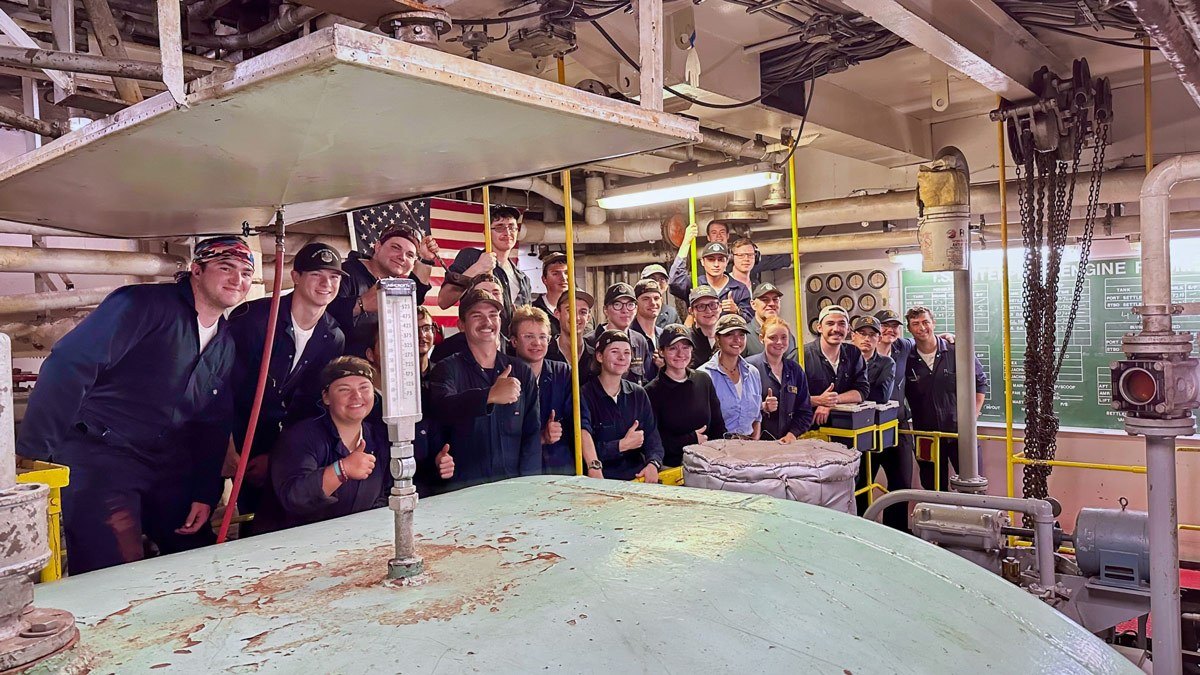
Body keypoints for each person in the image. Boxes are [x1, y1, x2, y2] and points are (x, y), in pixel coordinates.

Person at [17, 236, 253, 574]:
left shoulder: (225, 343)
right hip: (102, 454)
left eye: (246, 273)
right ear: (196, 271)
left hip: (168, 463)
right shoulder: (143, 305)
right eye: (226, 268)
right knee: (114, 568)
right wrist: (35, 451)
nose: (237, 279)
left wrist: (204, 491)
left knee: (194, 555)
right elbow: (70, 363)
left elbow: (211, 422)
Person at [226, 242, 347, 525]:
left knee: (272, 519)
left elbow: (310, 403)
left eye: (334, 277)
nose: (326, 284)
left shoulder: (333, 336)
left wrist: (278, 455)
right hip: (232, 437)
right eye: (317, 274)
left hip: (283, 444)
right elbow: (222, 388)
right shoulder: (253, 319)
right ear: (295, 276)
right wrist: (229, 450)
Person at [256, 357, 392, 533]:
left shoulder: (378, 438)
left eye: (364, 388)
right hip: (291, 546)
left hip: (354, 544)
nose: (356, 396)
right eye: (344, 389)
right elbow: (294, 497)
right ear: (326, 397)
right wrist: (341, 470)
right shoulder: (301, 437)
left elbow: (385, 496)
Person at [428, 288, 542, 490]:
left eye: (493, 315)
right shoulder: (446, 369)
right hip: (462, 491)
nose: (487, 322)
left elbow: (531, 435)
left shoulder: (521, 371)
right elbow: (442, 409)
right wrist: (488, 396)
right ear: (461, 325)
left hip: (512, 489)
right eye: (477, 316)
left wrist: (529, 486)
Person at [904, 306, 989, 493]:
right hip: (925, 436)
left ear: (933, 323)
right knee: (932, 486)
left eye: (926, 322)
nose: (922, 328)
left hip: (961, 434)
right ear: (909, 329)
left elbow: (980, 382)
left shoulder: (956, 350)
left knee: (973, 486)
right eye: (915, 324)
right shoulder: (906, 359)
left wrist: (972, 417)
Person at [332, 226, 437, 357]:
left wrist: (426, 259)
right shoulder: (344, 273)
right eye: (396, 247)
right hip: (342, 368)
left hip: (381, 370)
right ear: (378, 247)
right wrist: (361, 304)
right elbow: (323, 316)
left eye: (410, 255)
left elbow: (415, 297)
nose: (402, 257)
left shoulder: (393, 284)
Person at [579, 330, 664, 482]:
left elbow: (653, 438)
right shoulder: (584, 395)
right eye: (614, 351)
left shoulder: (639, 394)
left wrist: (653, 463)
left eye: (627, 352)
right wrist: (621, 445)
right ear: (599, 356)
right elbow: (581, 444)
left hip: (637, 477)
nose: (622, 357)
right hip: (601, 478)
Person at [645, 324, 726, 467]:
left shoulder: (703, 380)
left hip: (710, 463)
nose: (680, 354)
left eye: (685, 347)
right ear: (661, 352)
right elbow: (653, 442)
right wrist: (691, 439)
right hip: (673, 467)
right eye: (673, 348)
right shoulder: (651, 392)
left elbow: (718, 426)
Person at [439, 206, 531, 327]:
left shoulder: (523, 278)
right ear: (486, 232)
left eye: (512, 227)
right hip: (480, 337)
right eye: (499, 227)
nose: (507, 232)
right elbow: (444, 301)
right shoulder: (471, 257)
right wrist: (477, 267)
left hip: (511, 343)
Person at [511, 305, 574, 475]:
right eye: (529, 336)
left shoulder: (563, 372)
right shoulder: (504, 376)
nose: (537, 343)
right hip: (518, 473)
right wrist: (541, 437)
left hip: (560, 469)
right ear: (514, 341)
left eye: (542, 337)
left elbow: (575, 422)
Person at [849, 315, 900, 520]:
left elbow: (882, 395)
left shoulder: (887, 362)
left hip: (880, 432)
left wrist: (854, 394)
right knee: (858, 484)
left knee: (895, 482)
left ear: (878, 339)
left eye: (872, 335)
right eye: (862, 333)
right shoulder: (847, 361)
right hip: (853, 433)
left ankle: (894, 530)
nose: (866, 339)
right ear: (853, 336)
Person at [747, 317, 813, 443]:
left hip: (786, 444)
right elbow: (738, 408)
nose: (779, 342)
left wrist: (792, 434)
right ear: (762, 338)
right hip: (755, 444)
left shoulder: (795, 370)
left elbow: (805, 411)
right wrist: (762, 407)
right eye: (772, 337)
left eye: (784, 337)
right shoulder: (749, 368)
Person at [667, 227, 753, 320]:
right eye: (711, 260)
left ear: (727, 261)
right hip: (701, 334)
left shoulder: (739, 289)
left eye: (720, 260)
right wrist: (686, 242)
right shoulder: (695, 284)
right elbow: (674, 282)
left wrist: (737, 311)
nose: (716, 264)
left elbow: (751, 321)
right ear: (702, 262)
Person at [698, 314, 762, 440]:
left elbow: (757, 417)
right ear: (717, 338)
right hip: (717, 449)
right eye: (729, 334)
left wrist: (755, 442)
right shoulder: (703, 375)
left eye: (741, 335)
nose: (737, 340)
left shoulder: (753, 373)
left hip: (749, 449)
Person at [804, 306, 869, 426]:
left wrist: (832, 402)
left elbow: (862, 392)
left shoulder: (853, 353)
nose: (836, 329)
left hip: (845, 427)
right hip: (808, 429)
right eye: (830, 323)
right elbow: (789, 398)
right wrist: (818, 401)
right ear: (819, 327)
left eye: (841, 324)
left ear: (848, 329)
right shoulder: (802, 356)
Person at [585, 282, 657, 385]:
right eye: (617, 305)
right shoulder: (590, 342)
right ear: (605, 310)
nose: (625, 310)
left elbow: (646, 381)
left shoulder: (640, 340)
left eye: (630, 305)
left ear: (636, 309)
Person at [430, 273, 507, 364]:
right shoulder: (446, 349)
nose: (491, 296)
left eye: (496, 293)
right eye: (483, 292)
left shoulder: (513, 346)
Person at [743, 282, 798, 360]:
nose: (772, 303)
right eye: (765, 300)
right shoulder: (744, 335)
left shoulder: (788, 335)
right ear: (753, 304)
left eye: (775, 299)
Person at [547, 289, 595, 369]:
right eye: (570, 310)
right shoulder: (545, 354)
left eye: (583, 312)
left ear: (588, 318)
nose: (576, 317)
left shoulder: (596, 358)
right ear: (557, 314)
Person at [533, 252, 568, 336]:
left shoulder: (580, 310)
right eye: (555, 273)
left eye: (567, 273)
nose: (563, 278)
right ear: (544, 279)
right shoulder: (533, 312)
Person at [687, 285, 721, 369]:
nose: (708, 311)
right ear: (691, 311)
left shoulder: (728, 337)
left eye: (712, 305)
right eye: (701, 306)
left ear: (720, 307)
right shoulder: (685, 341)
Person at [630, 278, 664, 348]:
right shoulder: (628, 336)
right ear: (635, 303)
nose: (653, 303)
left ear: (661, 301)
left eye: (656, 298)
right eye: (646, 299)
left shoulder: (664, 336)